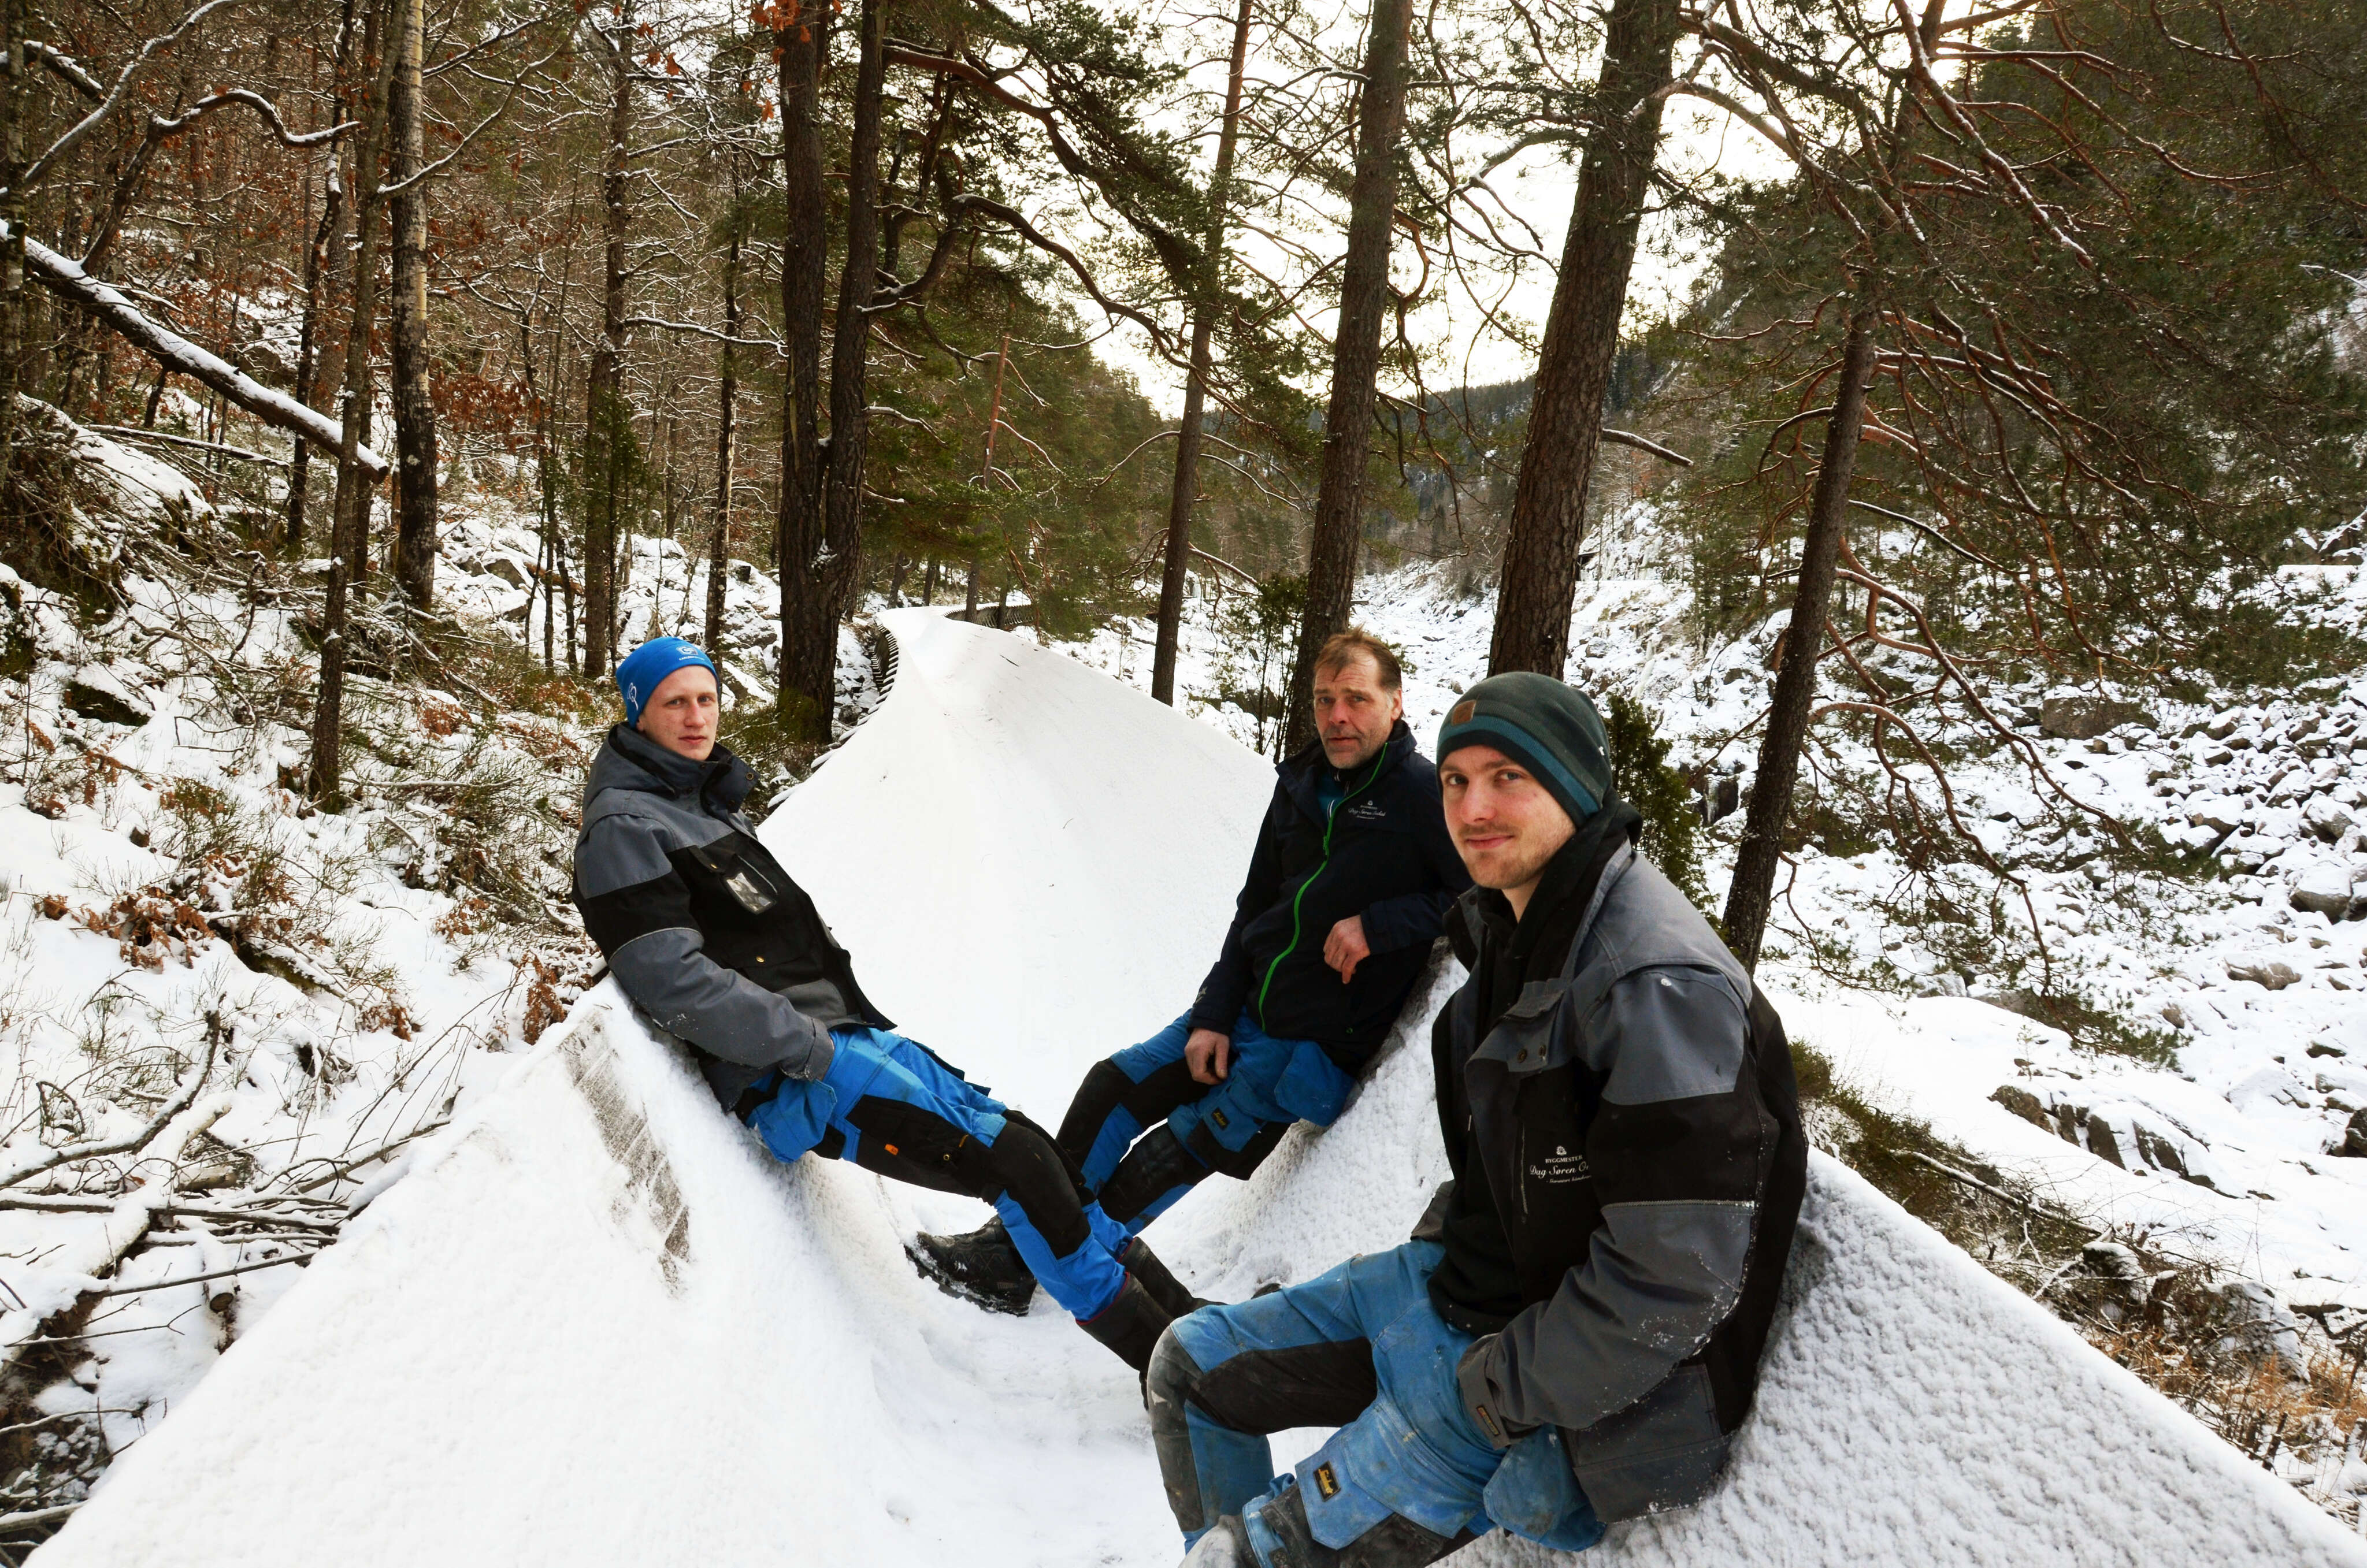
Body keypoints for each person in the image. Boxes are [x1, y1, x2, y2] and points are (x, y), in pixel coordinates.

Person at [1145, 672, 1808, 1567]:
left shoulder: (1656, 985)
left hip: (1555, 1383)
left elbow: (1674, 1281)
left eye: (1508, 777)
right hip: (1461, 1290)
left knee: (1253, 1556)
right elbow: (1512, 1163)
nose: (1473, 807)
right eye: (1456, 780)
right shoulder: (1511, 927)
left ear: (1576, 787)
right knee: (1188, 1367)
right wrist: (1439, 1257)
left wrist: (1491, 1390)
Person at [569, 636, 1192, 1370]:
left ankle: (1191, 1326)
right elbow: (671, 980)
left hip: (842, 1033)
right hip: (799, 1070)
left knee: (1034, 1147)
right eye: (675, 701)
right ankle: (1179, 1369)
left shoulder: (697, 802)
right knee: (1017, 1168)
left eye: (706, 698)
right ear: (638, 712)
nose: (696, 716)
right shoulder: (624, 827)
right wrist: (806, 1045)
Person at [910, 631, 1471, 1315]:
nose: (1337, 716)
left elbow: (1474, 891)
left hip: (1308, 1049)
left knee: (1177, 1148)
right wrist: (1213, 1013)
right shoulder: (1301, 783)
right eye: (1324, 699)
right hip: (1246, 1010)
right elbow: (1254, 908)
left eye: (1356, 698)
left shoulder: (1421, 793)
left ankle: (1024, 1264)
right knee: (1113, 1086)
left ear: (1395, 703)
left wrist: (1378, 926)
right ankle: (1015, 1243)